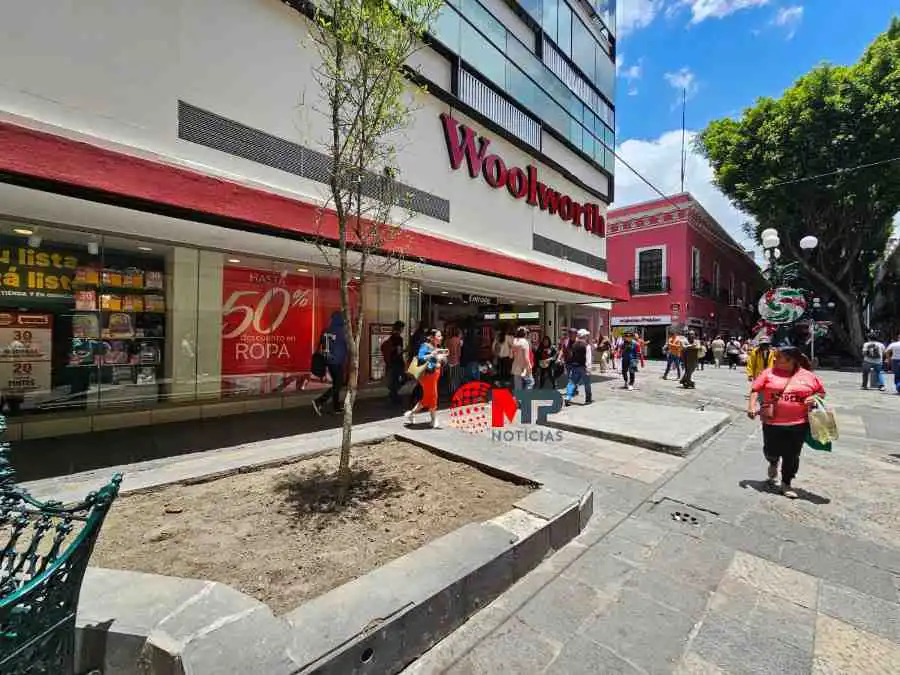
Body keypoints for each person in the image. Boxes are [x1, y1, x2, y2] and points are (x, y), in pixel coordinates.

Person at [747, 345, 825, 499]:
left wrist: (814, 398)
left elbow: (821, 392)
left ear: (791, 360)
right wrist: (751, 406)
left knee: (792, 455)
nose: (775, 359)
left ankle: (786, 483)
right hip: (772, 422)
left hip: (798, 423)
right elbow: (755, 389)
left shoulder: (808, 376)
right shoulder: (768, 373)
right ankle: (773, 462)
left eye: (779, 357)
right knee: (770, 450)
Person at [405, 329, 447, 428]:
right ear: (431, 337)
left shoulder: (437, 347)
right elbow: (420, 357)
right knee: (433, 396)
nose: (441, 338)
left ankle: (411, 414)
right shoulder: (425, 346)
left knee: (427, 398)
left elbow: (439, 361)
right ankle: (433, 420)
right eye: (439, 336)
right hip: (427, 376)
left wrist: (441, 358)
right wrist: (433, 355)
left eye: (441, 336)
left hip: (434, 375)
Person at [313, 311, 347, 416]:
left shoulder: (326, 330)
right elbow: (344, 347)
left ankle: (336, 407)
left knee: (336, 384)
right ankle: (320, 401)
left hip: (329, 361)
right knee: (338, 384)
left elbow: (321, 344)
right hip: (336, 361)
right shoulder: (340, 332)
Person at [563, 329, 592, 405]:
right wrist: (588, 369)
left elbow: (571, 356)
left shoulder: (574, 345)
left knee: (572, 383)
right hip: (583, 367)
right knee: (587, 384)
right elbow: (588, 358)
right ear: (584, 336)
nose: (587, 337)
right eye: (586, 335)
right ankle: (588, 399)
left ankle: (568, 397)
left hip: (574, 366)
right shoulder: (587, 346)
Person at [382, 320, 405, 404]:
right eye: (402, 328)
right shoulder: (399, 338)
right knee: (401, 378)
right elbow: (399, 351)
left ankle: (393, 394)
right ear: (400, 328)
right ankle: (394, 395)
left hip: (390, 361)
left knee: (394, 379)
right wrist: (404, 351)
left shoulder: (390, 337)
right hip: (397, 362)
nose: (403, 330)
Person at [446, 327, 463, 394]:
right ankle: (456, 393)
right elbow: (459, 352)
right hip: (456, 360)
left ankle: (451, 392)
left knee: (450, 378)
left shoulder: (447, 340)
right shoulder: (458, 340)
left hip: (449, 360)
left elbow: (446, 351)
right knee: (456, 377)